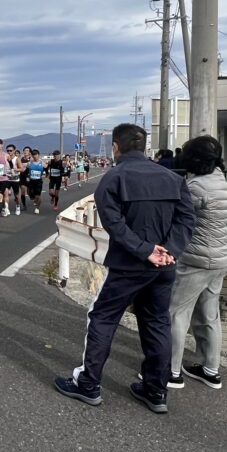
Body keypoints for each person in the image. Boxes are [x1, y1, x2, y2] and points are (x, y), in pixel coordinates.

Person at [54, 124, 195, 414]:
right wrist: (168, 251)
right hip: (164, 266)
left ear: (116, 147)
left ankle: (88, 384)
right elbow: (186, 220)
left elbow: (113, 223)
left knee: (103, 319)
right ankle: (156, 391)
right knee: (157, 323)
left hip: (127, 265)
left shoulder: (114, 177)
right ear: (143, 147)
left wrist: (145, 251)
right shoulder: (172, 177)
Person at [168, 136, 227, 389]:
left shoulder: (196, 187)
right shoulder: (220, 179)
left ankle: (170, 372)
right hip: (220, 258)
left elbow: (178, 217)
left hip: (196, 260)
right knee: (208, 315)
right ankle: (210, 369)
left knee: (175, 313)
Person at [27, 149, 45, 214]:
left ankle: (37, 208)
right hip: (31, 181)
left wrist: (46, 174)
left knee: (38, 196)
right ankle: (34, 199)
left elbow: (47, 169)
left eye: (36, 155)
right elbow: (26, 171)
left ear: (38, 155)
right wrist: (27, 177)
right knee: (29, 192)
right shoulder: (29, 163)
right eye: (33, 155)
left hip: (38, 181)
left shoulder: (42, 163)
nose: (34, 156)